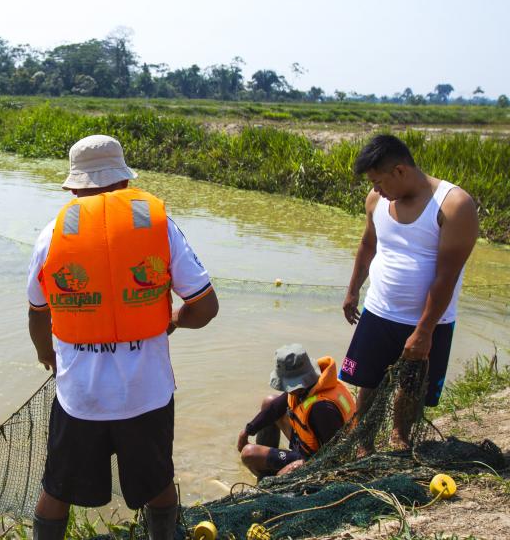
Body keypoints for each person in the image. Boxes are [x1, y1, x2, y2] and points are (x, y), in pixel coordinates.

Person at [27, 135, 219, 540]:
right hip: (146, 394)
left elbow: (37, 313)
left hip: (80, 398)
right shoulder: (159, 224)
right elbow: (205, 307)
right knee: (158, 485)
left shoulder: (51, 234)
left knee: (56, 488)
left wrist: (48, 355)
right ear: (124, 181)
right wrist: (171, 322)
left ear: (75, 187)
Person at [341, 134, 479, 449]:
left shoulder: (454, 205)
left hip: (429, 320)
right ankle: (364, 443)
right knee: (367, 382)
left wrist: (424, 330)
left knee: (411, 385)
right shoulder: (376, 201)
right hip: (378, 311)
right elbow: (368, 246)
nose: (375, 189)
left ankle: (399, 438)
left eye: (379, 181)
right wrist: (352, 292)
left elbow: (447, 276)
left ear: (400, 171)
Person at [236, 344, 355, 478]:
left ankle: (269, 481)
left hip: (315, 458)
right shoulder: (311, 384)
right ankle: (267, 460)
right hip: (307, 442)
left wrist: (294, 468)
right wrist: (247, 431)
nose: (287, 389)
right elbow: (275, 407)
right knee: (269, 401)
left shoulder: (322, 408)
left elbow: (335, 456)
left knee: (249, 453)